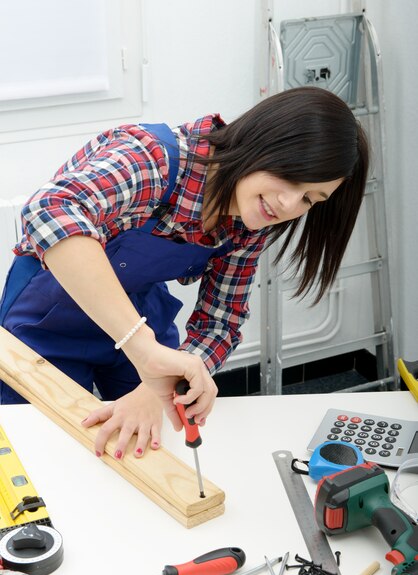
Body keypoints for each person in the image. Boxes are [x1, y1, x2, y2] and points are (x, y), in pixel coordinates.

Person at [0, 86, 369, 460]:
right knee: (43, 451)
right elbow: (51, 208)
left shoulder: (249, 224)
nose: (289, 203)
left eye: (309, 199)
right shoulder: (152, 158)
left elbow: (220, 324)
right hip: (47, 321)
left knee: (149, 451)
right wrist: (141, 348)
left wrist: (155, 389)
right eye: (291, 177)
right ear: (263, 141)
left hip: (137, 312)